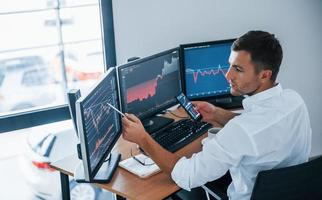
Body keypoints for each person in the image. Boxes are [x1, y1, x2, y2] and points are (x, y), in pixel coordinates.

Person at [121, 30, 312, 199]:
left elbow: (186, 176)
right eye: (230, 65)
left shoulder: (241, 132)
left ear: (264, 75)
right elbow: (260, 128)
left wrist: (143, 139)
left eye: (238, 69)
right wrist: (216, 114)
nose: (227, 75)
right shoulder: (294, 101)